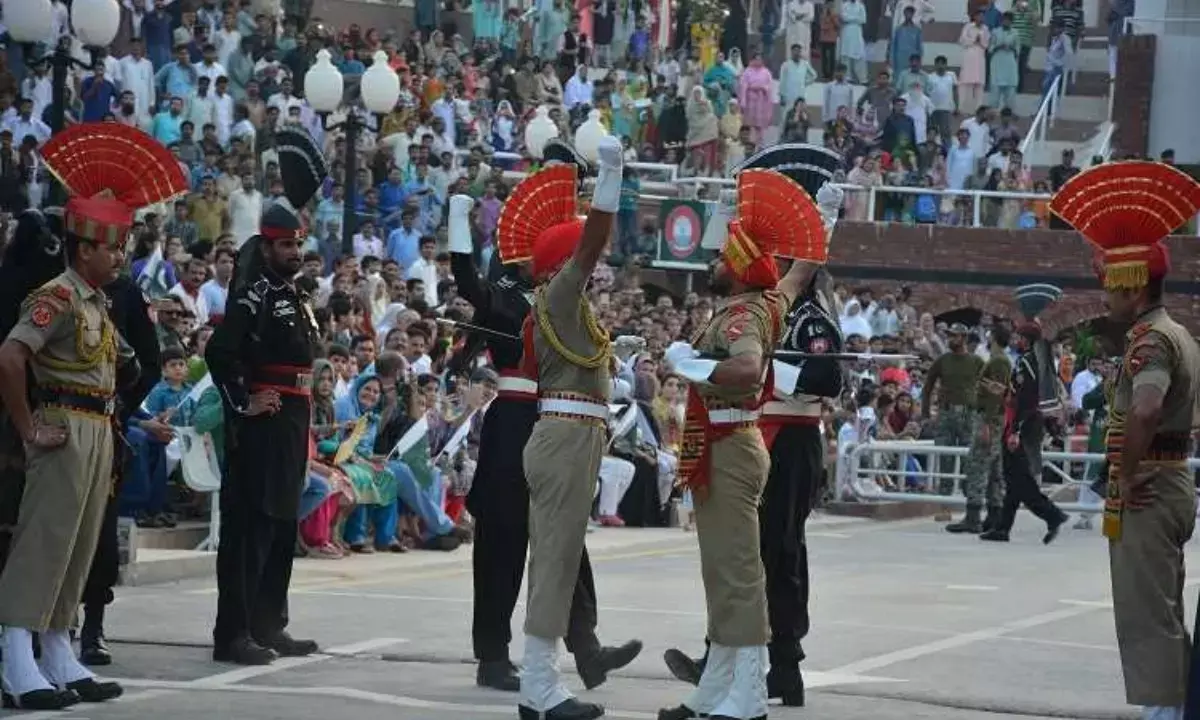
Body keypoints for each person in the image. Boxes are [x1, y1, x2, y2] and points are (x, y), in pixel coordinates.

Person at [0, 122, 184, 710]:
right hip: (61, 427)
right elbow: (10, 354)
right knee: (43, 544)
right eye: (112, 247)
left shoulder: (99, 304)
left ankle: (57, 649)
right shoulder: (55, 295)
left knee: (78, 547)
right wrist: (28, 426)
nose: (120, 256)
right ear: (84, 249)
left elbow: (128, 365)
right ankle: (15, 656)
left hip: (98, 429)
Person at [661, 143, 845, 710]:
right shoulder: (764, 304)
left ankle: (769, 673)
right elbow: (795, 275)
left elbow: (816, 376)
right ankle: (721, 674)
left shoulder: (767, 313)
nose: (715, 258)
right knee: (735, 562)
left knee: (770, 556)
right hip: (744, 434)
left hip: (780, 437)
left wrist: (708, 367)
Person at [450, 168, 639, 693]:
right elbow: (468, 284)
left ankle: (587, 646)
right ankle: (492, 655)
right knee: (503, 542)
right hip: (515, 418)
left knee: (567, 541)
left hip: (557, 418)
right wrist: (458, 226)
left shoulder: (567, 294)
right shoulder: (509, 287)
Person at [1050, 162, 1200, 720]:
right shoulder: (1177, 331)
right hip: (1171, 481)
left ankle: (1163, 713)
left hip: (1151, 487)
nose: (1105, 294)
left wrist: (1130, 471)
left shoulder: (1150, 342)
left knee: (1147, 613)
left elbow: (1146, 407)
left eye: (1110, 282)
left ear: (1133, 283)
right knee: (1161, 606)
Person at [503, 135, 631, 720]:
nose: (595, 267)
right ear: (566, 264)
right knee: (554, 559)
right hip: (564, 438)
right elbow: (595, 240)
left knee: (556, 556)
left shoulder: (563, 307)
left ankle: (541, 681)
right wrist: (609, 180)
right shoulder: (559, 294)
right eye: (583, 259)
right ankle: (539, 684)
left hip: (571, 436)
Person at [205, 129, 327, 666]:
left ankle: (268, 623)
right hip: (264, 420)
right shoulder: (253, 288)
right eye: (285, 244)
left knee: (280, 526)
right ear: (267, 245)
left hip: (294, 421)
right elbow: (220, 353)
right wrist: (243, 402)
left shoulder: (293, 295)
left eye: (298, 243)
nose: (294, 252)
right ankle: (232, 633)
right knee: (250, 529)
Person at [79, 272, 163, 667]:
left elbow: (148, 363)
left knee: (101, 530)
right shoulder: (51, 287)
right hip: (51, 425)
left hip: (107, 424)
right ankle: (42, 627)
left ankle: (93, 625)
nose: (115, 254)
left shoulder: (125, 293)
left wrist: (123, 407)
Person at [978, 285, 1070, 543]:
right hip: (1018, 421)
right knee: (1015, 477)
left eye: (1019, 337)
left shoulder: (1028, 362)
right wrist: (1003, 390)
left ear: (1026, 340)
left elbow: (1028, 399)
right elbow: (1018, 393)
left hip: (1021, 425)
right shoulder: (1028, 361)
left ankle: (1052, 514)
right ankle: (1003, 528)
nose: (1015, 340)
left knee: (1020, 480)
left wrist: (1016, 430)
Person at [946, 324, 1011, 534]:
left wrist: (986, 424)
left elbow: (996, 395)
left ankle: (973, 516)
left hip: (988, 417)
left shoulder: (999, 361)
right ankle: (994, 515)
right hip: (990, 417)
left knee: (978, 466)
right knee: (992, 470)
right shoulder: (997, 360)